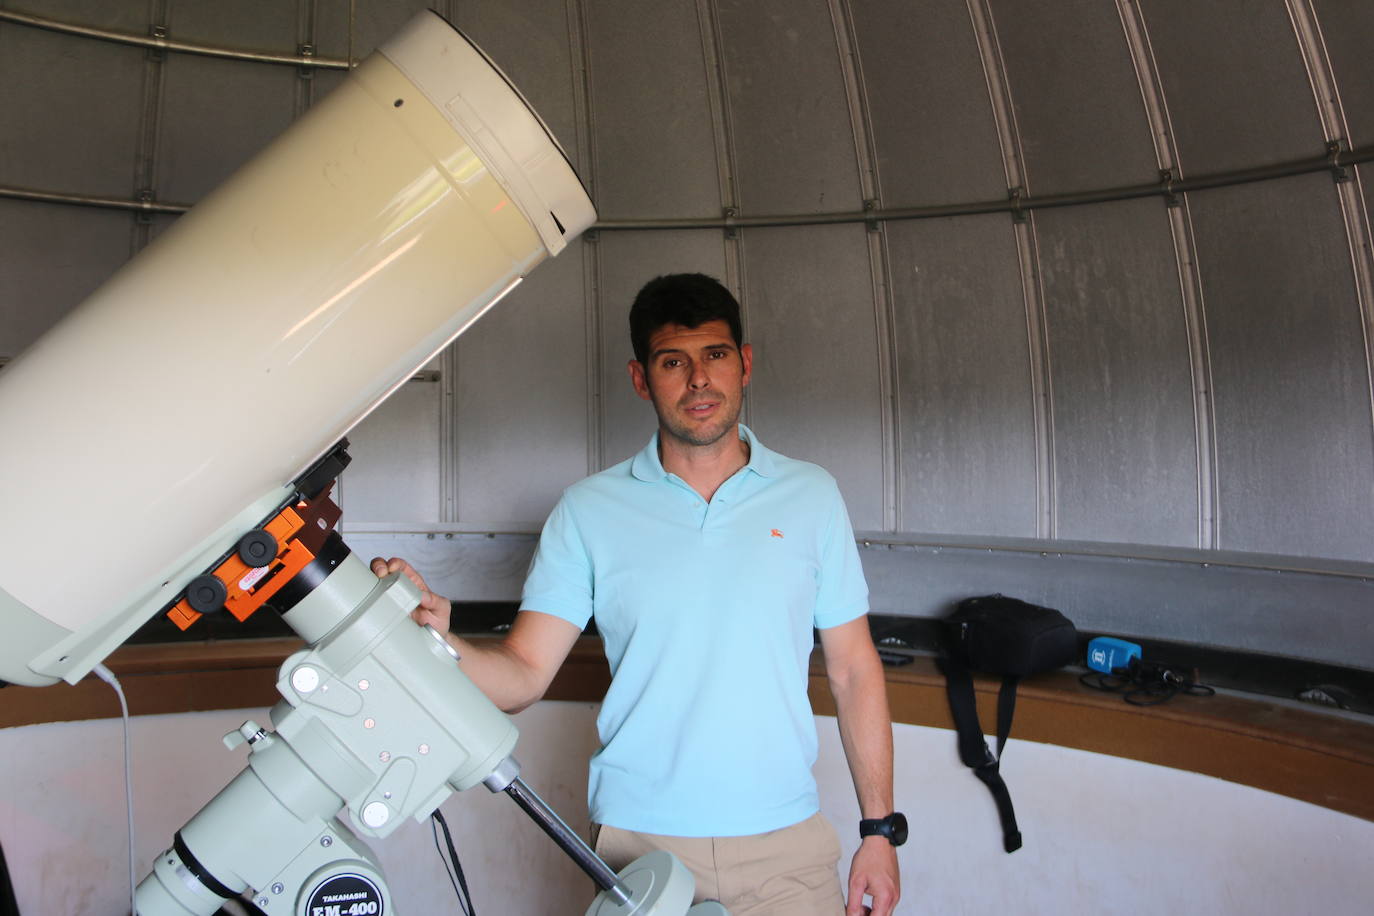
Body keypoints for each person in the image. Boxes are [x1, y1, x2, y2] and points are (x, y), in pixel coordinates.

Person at [373, 273, 902, 915]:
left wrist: (879, 831)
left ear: (745, 364)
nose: (699, 380)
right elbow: (522, 676)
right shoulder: (587, 510)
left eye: (716, 355)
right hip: (640, 848)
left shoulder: (812, 496)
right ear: (640, 378)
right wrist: (442, 643)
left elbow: (852, 668)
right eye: (673, 361)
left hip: (785, 846)